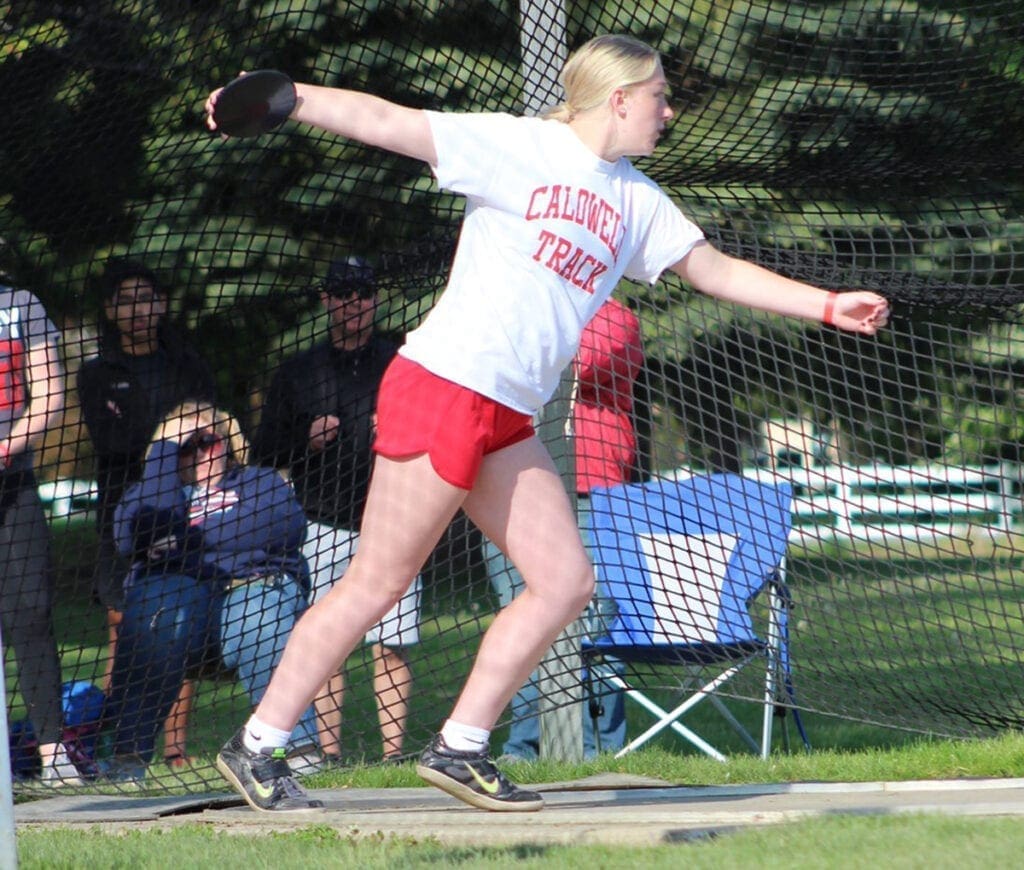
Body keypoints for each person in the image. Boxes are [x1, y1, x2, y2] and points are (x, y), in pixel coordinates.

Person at [205, 33, 889, 813]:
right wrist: (289, 97)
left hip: (506, 414)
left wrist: (828, 305)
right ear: (620, 96)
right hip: (443, 386)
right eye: (660, 95)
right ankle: (256, 745)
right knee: (377, 583)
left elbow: (715, 271)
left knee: (565, 582)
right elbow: (389, 121)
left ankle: (459, 746)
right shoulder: (519, 145)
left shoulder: (635, 197)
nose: (670, 109)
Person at [254, 255, 421, 763]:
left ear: (376, 299)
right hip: (322, 522)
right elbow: (265, 454)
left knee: (392, 641)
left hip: (394, 519)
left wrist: (393, 430)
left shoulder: (402, 362)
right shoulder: (299, 372)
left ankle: (394, 755)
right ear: (326, 299)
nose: (355, 303)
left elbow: (430, 432)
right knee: (330, 640)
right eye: (344, 293)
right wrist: (307, 440)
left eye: (364, 293)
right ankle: (328, 753)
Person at [102, 400, 321, 784]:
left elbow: (282, 529)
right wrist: (162, 464)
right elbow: (132, 535)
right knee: (154, 614)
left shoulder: (260, 482)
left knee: (261, 620)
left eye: (207, 441)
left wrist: (178, 544)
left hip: (252, 589)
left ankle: (295, 749)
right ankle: (127, 757)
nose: (198, 453)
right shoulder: (150, 492)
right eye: (184, 446)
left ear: (228, 442)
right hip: (177, 605)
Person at [486, 295, 642, 759]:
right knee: (523, 617)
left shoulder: (616, 317)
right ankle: (525, 748)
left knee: (594, 623)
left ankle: (598, 749)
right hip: (516, 489)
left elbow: (572, 363)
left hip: (592, 494)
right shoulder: (517, 311)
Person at [78, 259, 217, 768]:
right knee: (123, 624)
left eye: (147, 298)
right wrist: (167, 440)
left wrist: (171, 445)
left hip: (187, 508)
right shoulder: (97, 372)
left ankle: (175, 748)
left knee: (175, 621)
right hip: (123, 511)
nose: (138, 310)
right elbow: (113, 442)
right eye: (126, 300)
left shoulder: (187, 364)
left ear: (162, 305)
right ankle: (119, 745)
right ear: (112, 311)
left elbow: (208, 428)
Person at [0, 282, 79, 784]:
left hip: (13, 482)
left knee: (30, 609)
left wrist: (6, 448)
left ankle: (55, 756)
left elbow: (48, 394)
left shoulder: (20, 304)